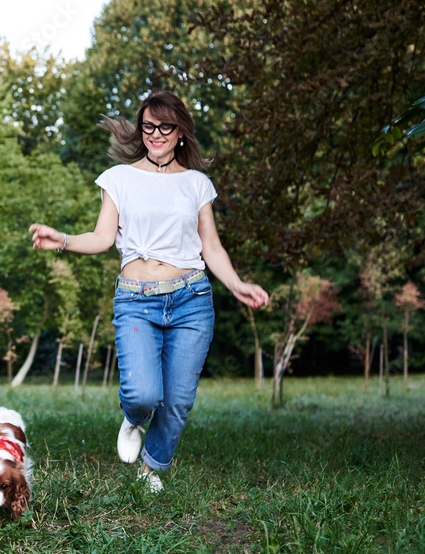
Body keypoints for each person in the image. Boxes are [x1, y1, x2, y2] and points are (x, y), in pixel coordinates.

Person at [29, 90, 268, 493]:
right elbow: (104, 237)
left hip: (191, 299)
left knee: (176, 402)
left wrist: (237, 284)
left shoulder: (197, 184)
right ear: (141, 131)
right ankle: (134, 418)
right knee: (142, 394)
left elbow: (211, 247)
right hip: (136, 299)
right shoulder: (119, 178)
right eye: (149, 126)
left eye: (165, 127)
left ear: (180, 133)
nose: (156, 134)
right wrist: (64, 239)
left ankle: (151, 467)